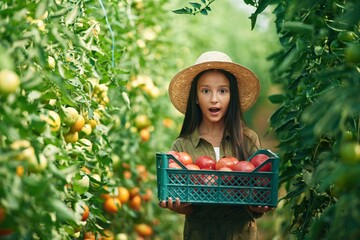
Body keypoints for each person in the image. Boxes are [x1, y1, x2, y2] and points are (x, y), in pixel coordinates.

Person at [159, 51, 274, 240]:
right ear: (195, 97)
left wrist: (257, 205)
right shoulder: (182, 146)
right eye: (205, 91)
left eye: (223, 91)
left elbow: (258, 195)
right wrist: (179, 207)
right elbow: (188, 207)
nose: (214, 98)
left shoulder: (248, 139)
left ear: (232, 96)